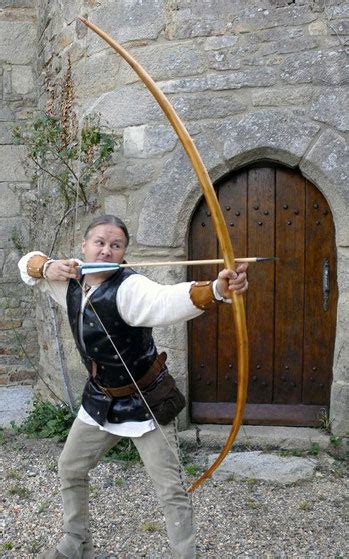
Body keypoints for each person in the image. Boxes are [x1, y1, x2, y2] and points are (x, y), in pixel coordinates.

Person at [18, 214, 248, 559]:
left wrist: (216, 289)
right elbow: (27, 264)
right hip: (100, 399)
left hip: (145, 401)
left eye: (116, 245)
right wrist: (46, 265)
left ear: (125, 252)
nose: (107, 250)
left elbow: (168, 299)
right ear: (84, 245)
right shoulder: (68, 279)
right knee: (70, 467)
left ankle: (185, 554)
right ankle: (75, 542)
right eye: (99, 242)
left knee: (170, 488)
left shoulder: (131, 288)